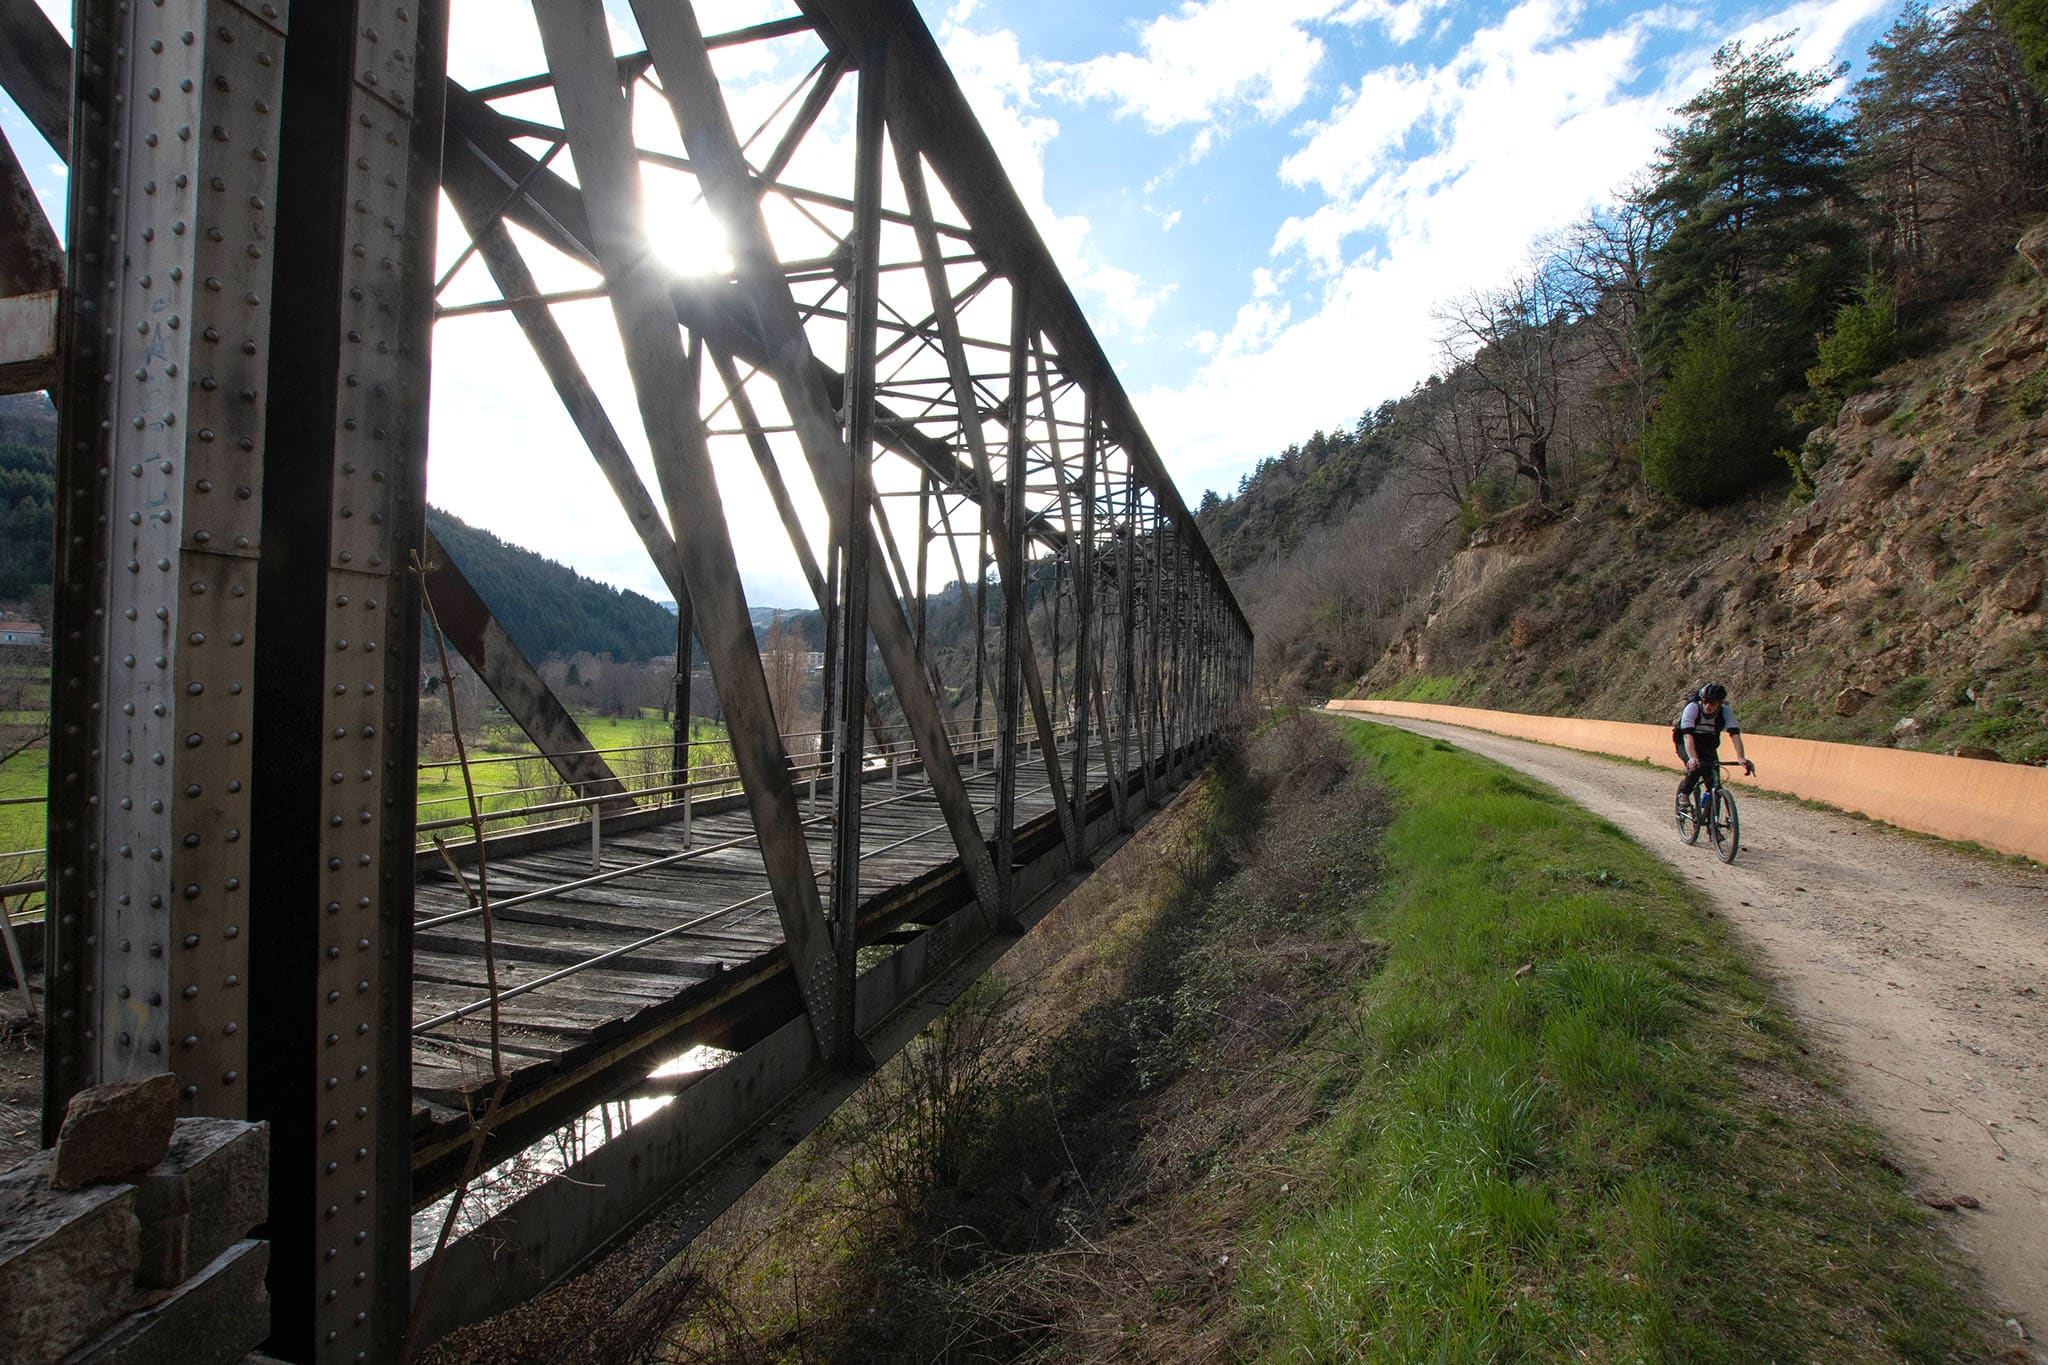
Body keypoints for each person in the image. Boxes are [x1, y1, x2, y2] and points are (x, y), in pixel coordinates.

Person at [1675, 682, 1753, 816]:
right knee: (1696, 766)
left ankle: (1713, 828)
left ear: (1720, 703)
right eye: (1705, 702)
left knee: (1713, 784)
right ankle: (1684, 793)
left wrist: (1741, 757)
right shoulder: (1692, 708)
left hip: (1707, 743)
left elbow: (1735, 734)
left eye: (1712, 703)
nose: (1708, 706)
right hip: (1685, 740)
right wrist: (1693, 758)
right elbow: (1687, 736)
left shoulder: (1725, 711)